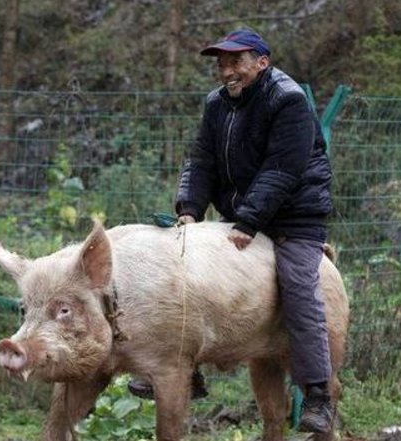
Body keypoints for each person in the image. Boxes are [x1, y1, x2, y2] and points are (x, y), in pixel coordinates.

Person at [129, 28, 335, 433]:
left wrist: (249, 221)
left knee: (298, 287)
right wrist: (189, 209)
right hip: (239, 215)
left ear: (262, 62)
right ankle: (185, 370)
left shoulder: (288, 99)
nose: (226, 71)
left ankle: (318, 395)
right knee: (185, 266)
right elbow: (201, 159)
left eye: (235, 61)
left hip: (293, 218)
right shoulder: (217, 104)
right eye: (221, 63)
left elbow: (284, 168)